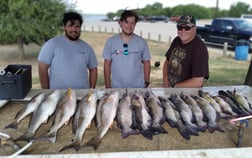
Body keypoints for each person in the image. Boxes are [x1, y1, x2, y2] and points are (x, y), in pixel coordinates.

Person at [38, 11, 98, 89]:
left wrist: (91, 89)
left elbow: (93, 69)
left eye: (77, 26)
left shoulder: (87, 48)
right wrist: (46, 91)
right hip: (58, 95)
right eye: (70, 26)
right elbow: (42, 68)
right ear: (64, 27)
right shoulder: (52, 44)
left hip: (81, 96)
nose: (74, 29)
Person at [102, 10, 151, 88]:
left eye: (132, 23)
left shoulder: (142, 42)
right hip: (117, 88)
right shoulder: (110, 42)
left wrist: (146, 81)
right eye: (127, 22)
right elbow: (107, 64)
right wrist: (108, 86)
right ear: (120, 23)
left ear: (135, 25)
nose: (129, 26)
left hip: (138, 88)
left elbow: (147, 62)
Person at [163, 15, 209, 88]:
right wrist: (165, 81)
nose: (183, 31)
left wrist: (174, 87)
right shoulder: (177, 40)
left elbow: (197, 82)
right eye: (180, 28)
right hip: (171, 89)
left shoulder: (199, 48)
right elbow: (167, 62)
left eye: (187, 28)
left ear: (194, 29)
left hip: (188, 95)